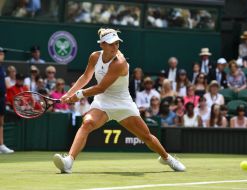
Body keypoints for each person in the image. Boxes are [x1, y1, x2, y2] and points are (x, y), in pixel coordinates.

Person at [53, 28, 185, 173]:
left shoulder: (120, 63)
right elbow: (86, 77)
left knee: (146, 136)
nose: (115, 47)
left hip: (123, 104)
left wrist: (77, 96)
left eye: (117, 43)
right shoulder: (94, 57)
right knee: (87, 123)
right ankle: (68, 162)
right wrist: (68, 93)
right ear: (102, 44)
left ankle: (168, 159)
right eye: (111, 44)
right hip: (102, 102)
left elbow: (101, 87)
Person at [0, 47, 14, 153]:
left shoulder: (2, 68)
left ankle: (1, 145)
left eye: (2, 53)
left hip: (1, 98)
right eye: (0, 53)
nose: (2, 55)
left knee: (1, 121)